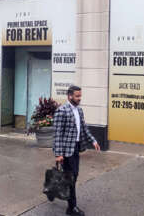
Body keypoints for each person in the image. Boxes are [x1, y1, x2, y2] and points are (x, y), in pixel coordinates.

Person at [53, 85, 101, 216]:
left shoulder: (79, 110)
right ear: (69, 96)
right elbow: (57, 134)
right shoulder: (61, 111)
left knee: (73, 176)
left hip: (76, 148)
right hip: (65, 151)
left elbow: (84, 128)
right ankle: (72, 207)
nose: (80, 98)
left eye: (80, 95)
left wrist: (93, 140)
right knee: (71, 177)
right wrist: (58, 154)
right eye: (77, 96)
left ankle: (61, 193)